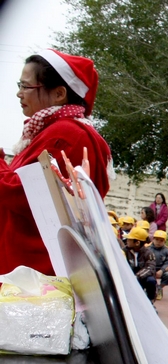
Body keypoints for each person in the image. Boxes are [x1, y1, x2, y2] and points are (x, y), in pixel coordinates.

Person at [0, 49, 112, 276]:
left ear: (59, 93)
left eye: (26, 86)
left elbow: (22, 194)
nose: (19, 94)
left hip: (36, 270)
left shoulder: (66, 135)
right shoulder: (58, 131)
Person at [124, 227, 157, 304]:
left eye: (129, 239)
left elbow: (150, 268)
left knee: (151, 280)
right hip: (128, 277)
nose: (127, 241)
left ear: (137, 243)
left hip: (142, 278)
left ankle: (150, 300)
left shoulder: (148, 253)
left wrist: (137, 276)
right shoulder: (125, 251)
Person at [151, 230, 168, 300]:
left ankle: (159, 287)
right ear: (153, 239)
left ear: (165, 241)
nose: (158, 242)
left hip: (161, 269)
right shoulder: (147, 248)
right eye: (157, 239)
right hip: (149, 269)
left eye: (161, 240)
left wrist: (162, 270)